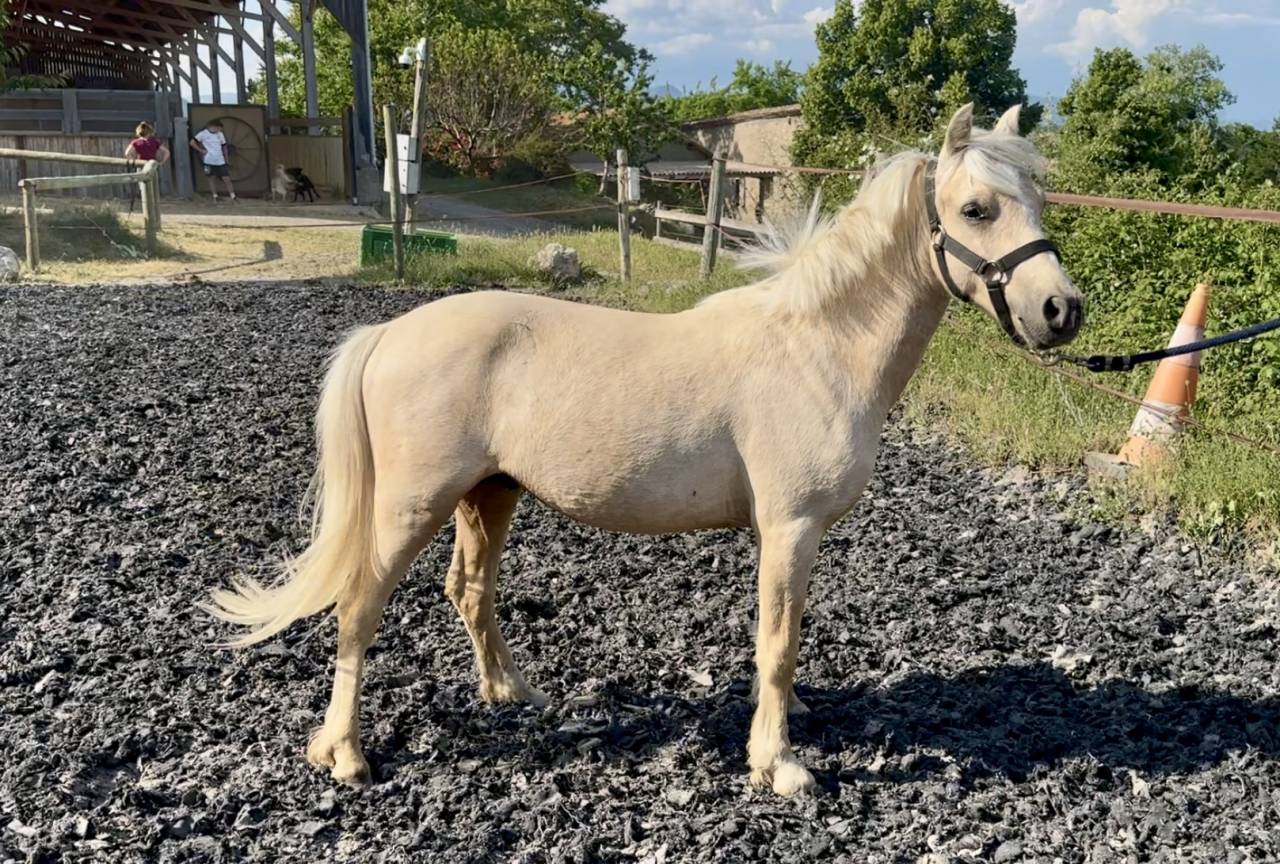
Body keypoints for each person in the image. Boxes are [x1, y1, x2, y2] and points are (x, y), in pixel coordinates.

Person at [190, 119, 236, 202]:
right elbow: (192, 142)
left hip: (220, 160)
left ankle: (233, 196)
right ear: (213, 127)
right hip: (208, 160)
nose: (219, 130)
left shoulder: (220, 134)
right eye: (218, 128)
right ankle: (215, 196)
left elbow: (224, 146)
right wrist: (201, 150)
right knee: (211, 178)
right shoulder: (203, 134)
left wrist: (226, 159)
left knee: (226, 178)